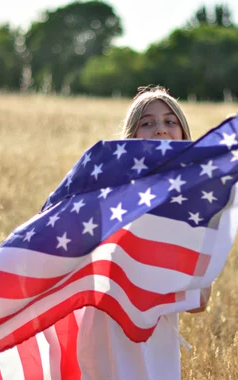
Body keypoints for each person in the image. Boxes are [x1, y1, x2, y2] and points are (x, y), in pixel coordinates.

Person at [75, 86, 212, 380]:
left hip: (154, 334)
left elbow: (200, 300)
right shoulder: (110, 192)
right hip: (107, 326)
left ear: (184, 134)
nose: (160, 130)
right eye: (147, 123)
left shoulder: (193, 202)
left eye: (170, 121)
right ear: (131, 137)